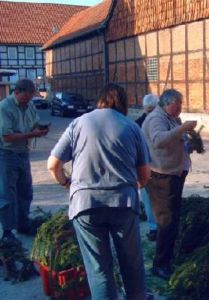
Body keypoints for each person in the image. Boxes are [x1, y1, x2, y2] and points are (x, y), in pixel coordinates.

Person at [47, 83, 151, 300]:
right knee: (132, 263)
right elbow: (144, 175)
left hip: (86, 205)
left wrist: (67, 183)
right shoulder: (132, 127)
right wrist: (133, 188)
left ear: (100, 101)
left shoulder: (78, 123)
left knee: (99, 270)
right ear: (122, 102)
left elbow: (52, 164)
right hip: (123, 203)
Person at [142, 89, 197, 279]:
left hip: (173, 174)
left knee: (171, 219)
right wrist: (182, 129)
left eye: (181, 104)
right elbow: (158, 140)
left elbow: (176, 142)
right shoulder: (156, 118)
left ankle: (166, 259)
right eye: (177, 104)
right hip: (161, 177)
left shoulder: (172, 119)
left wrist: (190, 145)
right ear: (167, 103)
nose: (180, 107)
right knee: (166, 221)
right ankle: (159, 265)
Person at [0, 78, 49, 243]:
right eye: (25, 98)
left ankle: (23, 224)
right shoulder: (5, 107)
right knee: (7, 195)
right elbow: (7, 136)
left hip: (23, 153)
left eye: (29, 98)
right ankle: (7, 231)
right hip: (6, 154)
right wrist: (32, 134)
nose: (27, 101)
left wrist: (41, 128)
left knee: (25, 192)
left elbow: (34, 123)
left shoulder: (30, 105)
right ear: (16, 92)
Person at [136, 94, 159, 241]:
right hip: (158, 165)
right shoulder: (160, 121)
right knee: (156, 198)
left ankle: (153, 228)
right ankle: (157, 227)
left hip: (144, 165)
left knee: (147, 197)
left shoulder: (137, 123)